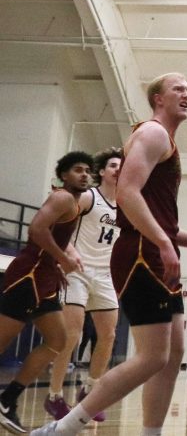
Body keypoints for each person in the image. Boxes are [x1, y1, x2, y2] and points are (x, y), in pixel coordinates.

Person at [31, 73, 187, 436]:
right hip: (141, 253)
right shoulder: (153, 133)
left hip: (151, 248)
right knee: (153, 356)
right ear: (158, 98)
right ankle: (61, 429)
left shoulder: (164, 140)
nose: (186, 94)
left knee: (172, 354)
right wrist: (162, 242)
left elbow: (154, 212)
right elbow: (127, 194)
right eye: (178, 89)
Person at [0, 152, 92, 434]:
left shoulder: (74, 203)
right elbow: (36, 229)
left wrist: (56, 268)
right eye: (78, 170)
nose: (85, 174)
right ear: (64, 175)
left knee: (58, 340)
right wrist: (61, 259)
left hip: (45, 277)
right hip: (28, 275)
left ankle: (6, 401)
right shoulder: (62, 197)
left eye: (88, 170)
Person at [43, 148, 123, 423]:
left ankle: (88, 391)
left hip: (105, 276)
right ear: (102, 171)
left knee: (109, 335)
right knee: (71, 335)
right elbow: (57, 219)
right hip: (77, 271)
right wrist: (64, 251)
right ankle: (53, 396)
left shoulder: (126, 204)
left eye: (122, 166)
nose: (118, 169)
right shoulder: (89, 197)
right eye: (113, 165)